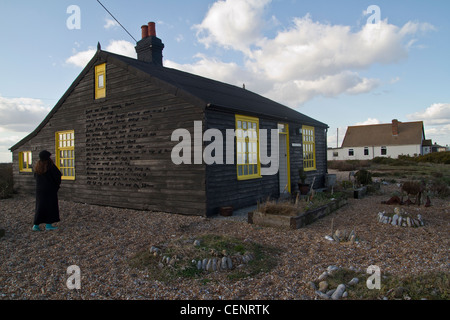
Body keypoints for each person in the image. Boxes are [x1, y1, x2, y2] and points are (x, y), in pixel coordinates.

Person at [32, 150, 62, 231]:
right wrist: (56, 186)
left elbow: (35, 177)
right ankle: (48, 224)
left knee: (40, 206)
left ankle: (36, 225)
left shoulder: (37, 166)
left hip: (40, 190)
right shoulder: (50, 166)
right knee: (50, 206)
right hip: (50, 190)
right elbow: (58, 175)